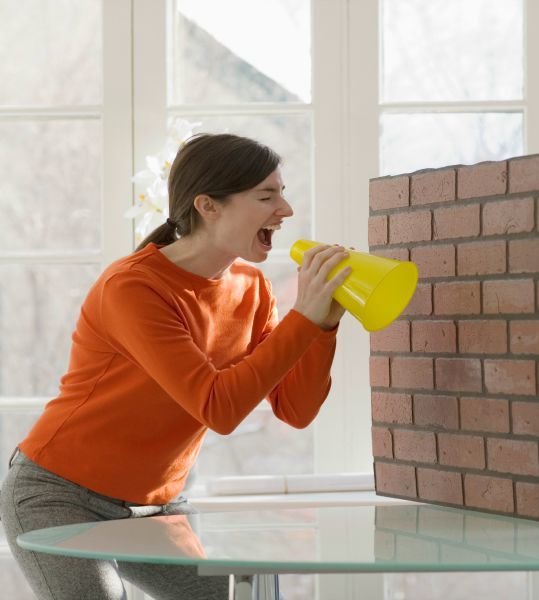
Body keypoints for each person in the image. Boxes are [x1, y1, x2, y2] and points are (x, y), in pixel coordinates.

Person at [0, 133, 351, 600]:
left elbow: (296, 409)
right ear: (208, 205)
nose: (285, 209)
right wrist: (303, 319)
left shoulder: (252, 288)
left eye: (283, 193)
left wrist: (322, 327)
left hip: (158, 505)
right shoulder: (133, 288)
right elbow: (218, 407)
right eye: (267, 196)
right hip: (61, 495)